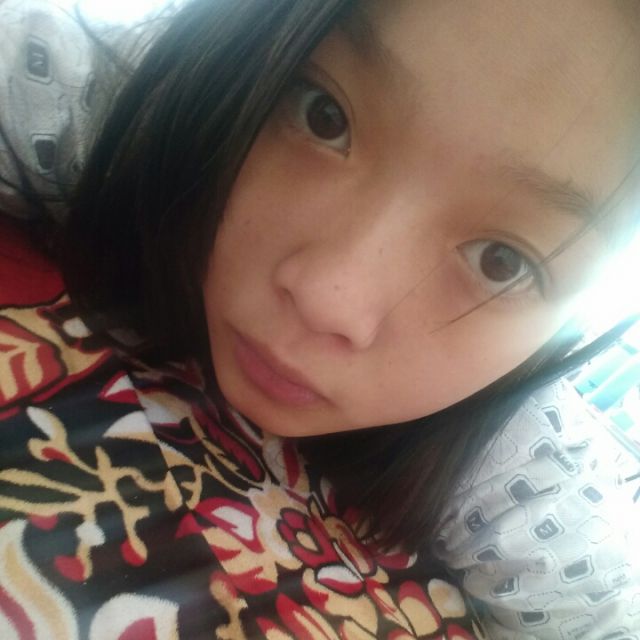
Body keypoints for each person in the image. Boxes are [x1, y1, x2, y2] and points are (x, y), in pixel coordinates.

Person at [0, 0, 639, 638]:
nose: (328, 298)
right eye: (323, 114)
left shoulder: (525, 460)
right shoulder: (135, 105)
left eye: (502, 262)